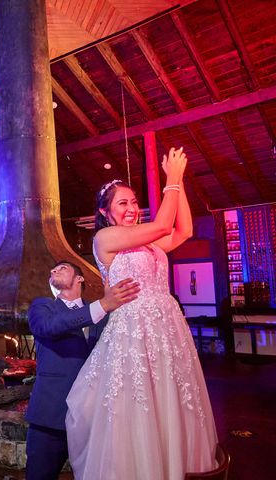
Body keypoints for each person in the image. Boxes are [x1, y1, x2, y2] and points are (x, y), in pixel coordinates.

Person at [65, 147, 219, 479]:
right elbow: (164, 224)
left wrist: (180, 184)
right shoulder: (105, 239)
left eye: (135, 202)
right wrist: (172, 179)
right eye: (123, 203)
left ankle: (172, 465)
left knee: (170, 401)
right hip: (132, 332)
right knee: (138, 407)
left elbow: (183, 231)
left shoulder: (148, 243)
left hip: (166, 332)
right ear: (106, 212)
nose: (133, 208)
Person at [25, 261, 139, 480]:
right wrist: (102, 305)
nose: (53, 270)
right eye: (52, 270)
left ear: (80, 279)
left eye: (62, 268)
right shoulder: (42, 307)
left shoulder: (103, 315)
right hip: (51, 415)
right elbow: (49, 327)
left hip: (93, 417)